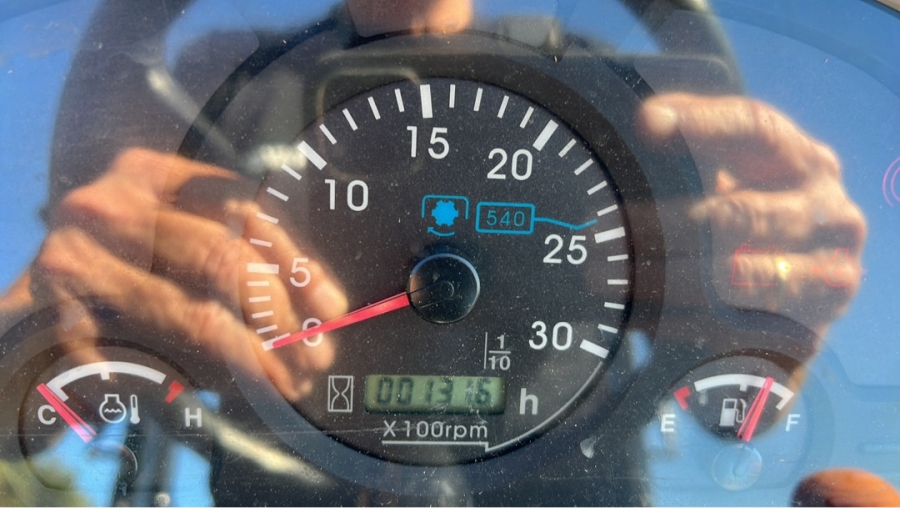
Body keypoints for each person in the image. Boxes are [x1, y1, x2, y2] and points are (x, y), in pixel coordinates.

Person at [0, 0, 887, 505]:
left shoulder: (621, 103)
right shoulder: (218, 80)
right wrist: (36, 336)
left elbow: (732, 417)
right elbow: (67, 341)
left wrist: (765, 315)